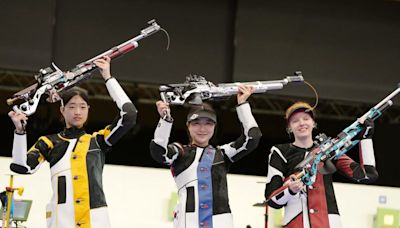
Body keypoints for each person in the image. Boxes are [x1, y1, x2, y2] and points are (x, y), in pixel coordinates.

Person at [8, 56, 137, 228]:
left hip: (95, 220)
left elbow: (129, 115)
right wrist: (20, 131)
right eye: (72, 106)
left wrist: (107, 77)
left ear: (88, 110)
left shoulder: (98, 141)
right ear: (62, 110)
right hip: (61, 220)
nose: (77, 111)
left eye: (83, 107)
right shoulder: (49, 142)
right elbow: (21, 167)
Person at [150, 84, 262, 228]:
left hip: (221, 222)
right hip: (187, 222)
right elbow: (159, 152)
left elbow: (253, 138)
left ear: (215, 127)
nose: (202, 129)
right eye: (196, 123)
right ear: (188, 126)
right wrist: (165, 120)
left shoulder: (223, 154)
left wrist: (243, 104)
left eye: (208, 123)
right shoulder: (180, 152)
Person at [264, 101, 379, 228]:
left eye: (306, 118)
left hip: (330, 223)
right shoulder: (280, 152)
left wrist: (366, 138)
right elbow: (272, 200)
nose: (302, 123)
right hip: (296, 223)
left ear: (313, 123)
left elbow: (367, 175)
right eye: (295, 120)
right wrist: (290, 190)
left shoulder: (328, 150)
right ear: (289, 127)